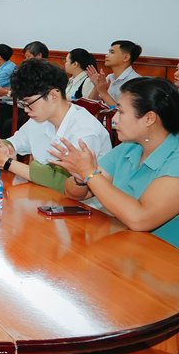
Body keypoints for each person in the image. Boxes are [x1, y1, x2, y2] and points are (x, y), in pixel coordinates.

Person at [50, 78, 179, 247]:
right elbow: (75, 193)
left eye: (121, 112)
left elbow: (141, 218)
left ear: (149, 118)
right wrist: (80, 178)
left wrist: (89, 173)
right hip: (126, 244)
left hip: (165, 255)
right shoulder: (129, 147)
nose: (115, 118)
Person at [0, 59, 111, 195]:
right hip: (43, 195)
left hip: (81, 207)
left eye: (29, 103)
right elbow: (14, 142)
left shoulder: (85, 131)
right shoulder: (40, 120)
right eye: (23, 103)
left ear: (53, 96)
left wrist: (6, 162)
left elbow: (61, 182)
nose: (26, 109)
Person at [87, 40, 142, 107]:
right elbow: (91, 103)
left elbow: (124, 111)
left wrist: (104, 93)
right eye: (109, 52)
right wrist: (97, 86)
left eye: (112, 52)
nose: (106, 55)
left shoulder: (135, 81)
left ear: (126, 57)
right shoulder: (109, 77)